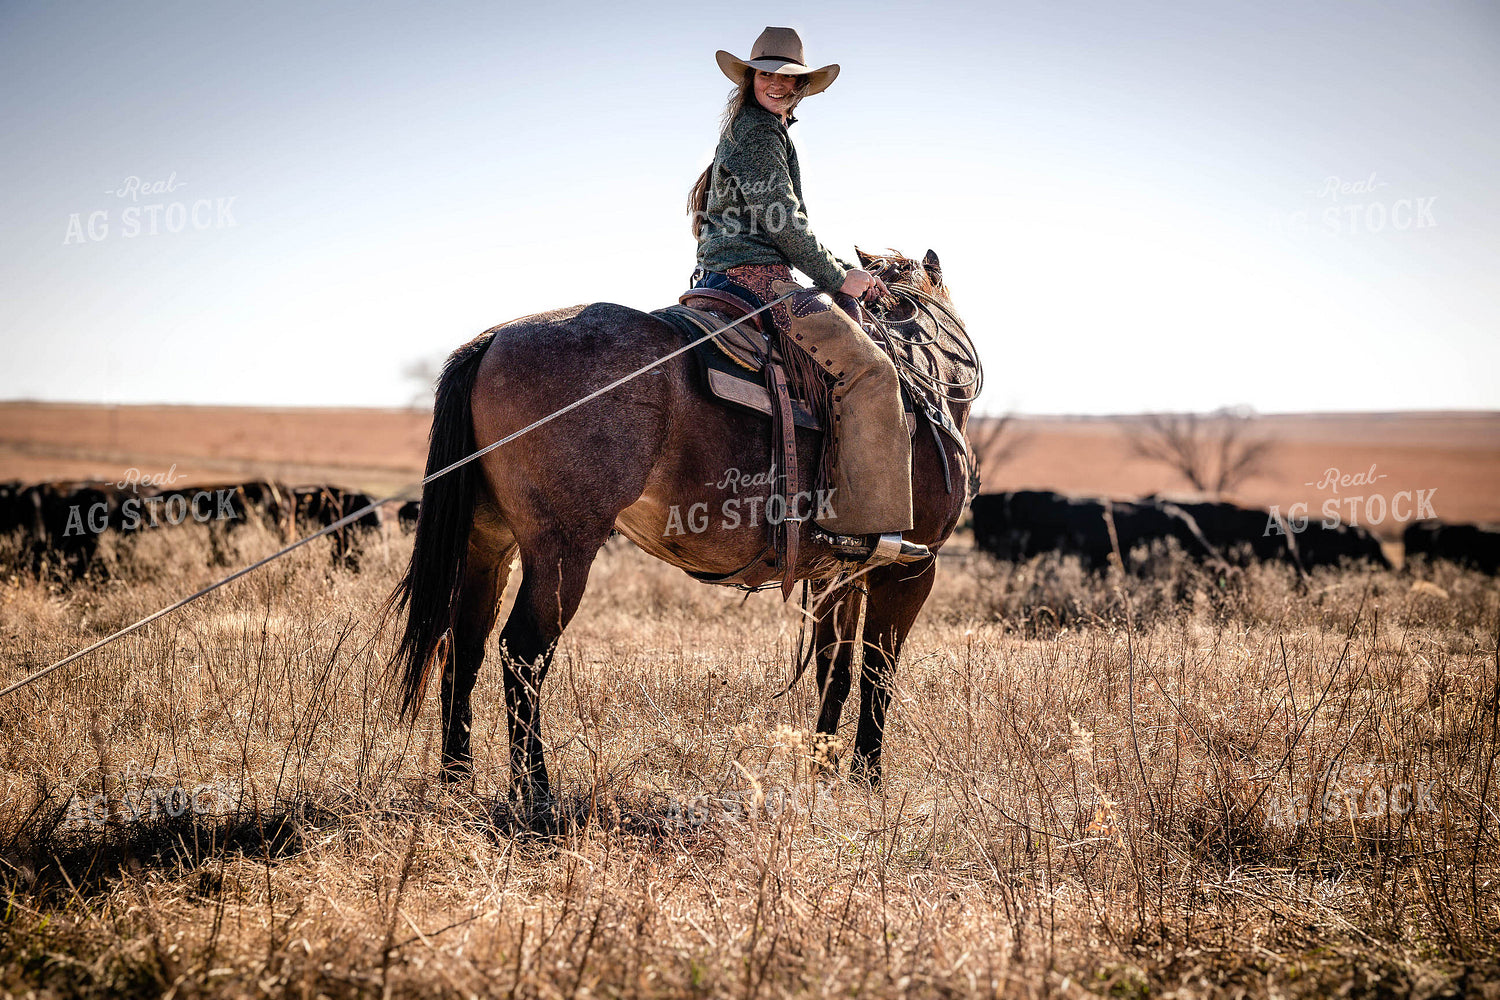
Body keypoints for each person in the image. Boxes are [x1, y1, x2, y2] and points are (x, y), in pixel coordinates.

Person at [687, 26, 929, 566]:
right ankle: (861, 530)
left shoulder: (752, 130)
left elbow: (779, 222)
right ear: (750, 78)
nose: (776, 84)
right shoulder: (758, 133)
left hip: (718, 279)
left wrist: (836, 269)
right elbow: (785, 222)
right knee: (873, 372)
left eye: (788, 78)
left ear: (801, 88)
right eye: (766, 74)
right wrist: (839, 277)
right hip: (759, 283)